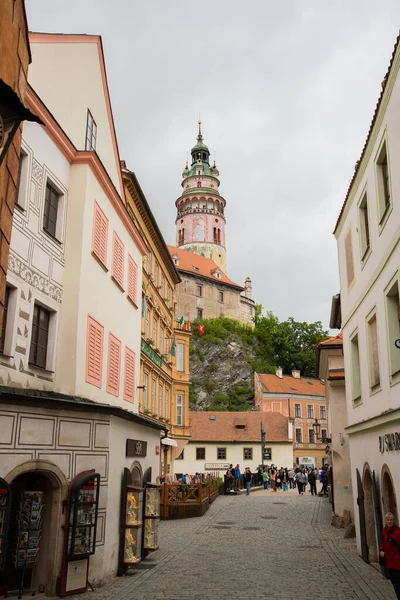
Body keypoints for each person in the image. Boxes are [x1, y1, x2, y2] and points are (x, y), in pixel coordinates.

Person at [380, 512, 400, 599]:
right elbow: (383, 544)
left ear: (394, 521)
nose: (389, 522)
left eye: (391, 520)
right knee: (393, 580)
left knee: (397, 583)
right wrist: (381, 551)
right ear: (385, 521)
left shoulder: (398, 532)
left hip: (397, 561)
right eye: (388, 520)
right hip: (389, 561)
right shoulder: (385, 531)